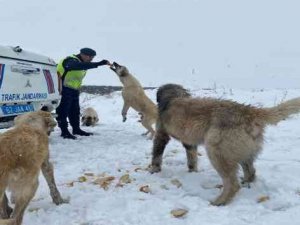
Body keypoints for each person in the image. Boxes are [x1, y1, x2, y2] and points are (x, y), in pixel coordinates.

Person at [56, 48, 110, 139]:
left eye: (92, 58)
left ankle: (76, 129)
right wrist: (99, 63)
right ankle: (64, 131)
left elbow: (82, 66)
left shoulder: (81, 63)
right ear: (83, 55)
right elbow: (76, 66)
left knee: (75, 111)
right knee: (63, 111)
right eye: (90, 57)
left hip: (74, 90)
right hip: (63, 88)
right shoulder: (70, 60)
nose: (91, 60)